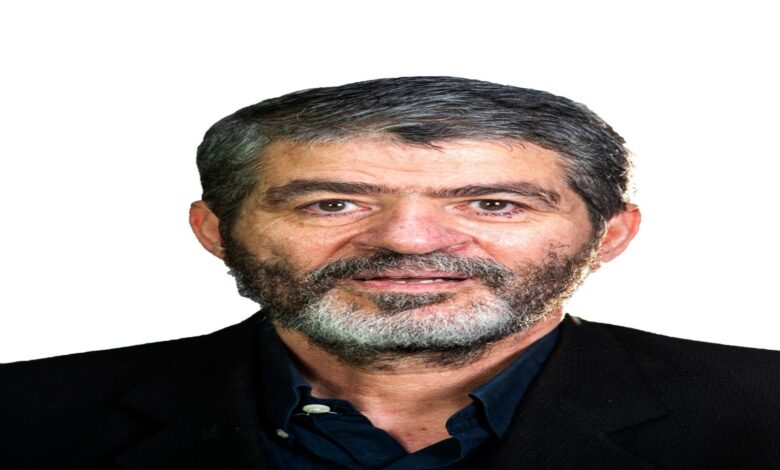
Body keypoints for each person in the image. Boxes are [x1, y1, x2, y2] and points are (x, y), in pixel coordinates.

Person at [1, 76, 778, 469]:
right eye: (333, 203)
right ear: (216, 231)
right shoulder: (22, 418)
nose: (407, 241)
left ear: (610, 235)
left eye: (494, 204)